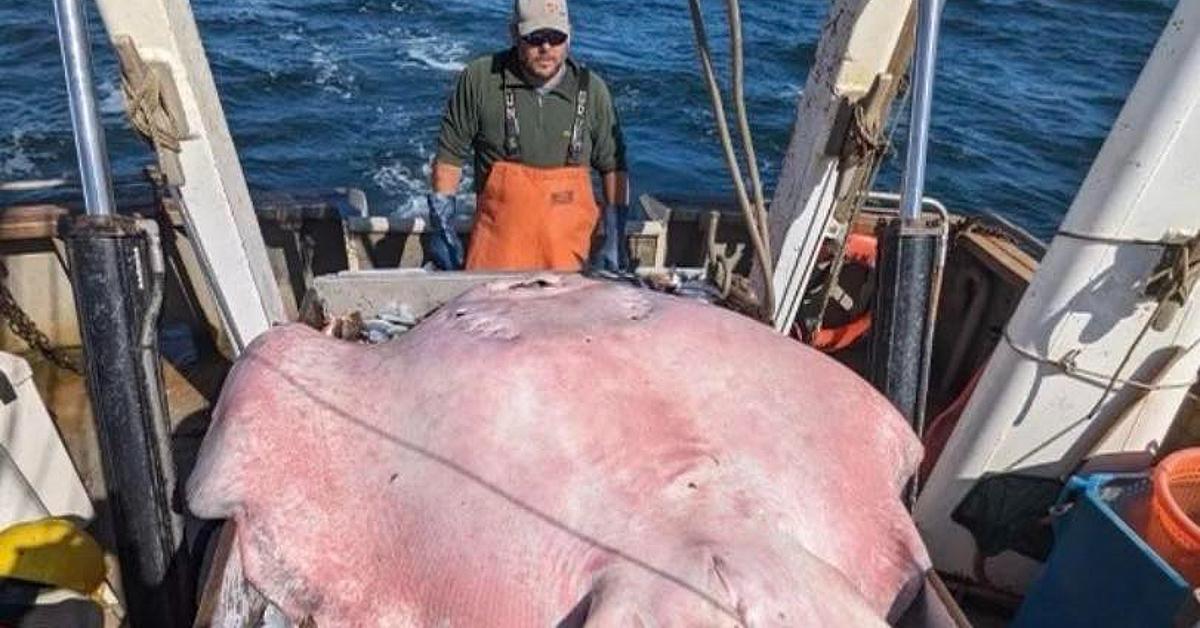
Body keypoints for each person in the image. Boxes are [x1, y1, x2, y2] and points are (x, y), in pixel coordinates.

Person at [424, 0, 630, 272]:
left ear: (570, 36)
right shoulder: (481, 78)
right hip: (494, 265)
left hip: (569, 269)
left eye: (556, 38)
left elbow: (613, 167)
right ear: (514, 34)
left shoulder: (593, 91)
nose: (546, 48)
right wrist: (443, 229)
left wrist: (614, 239)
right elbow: (450, 157)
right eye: (535, 38)